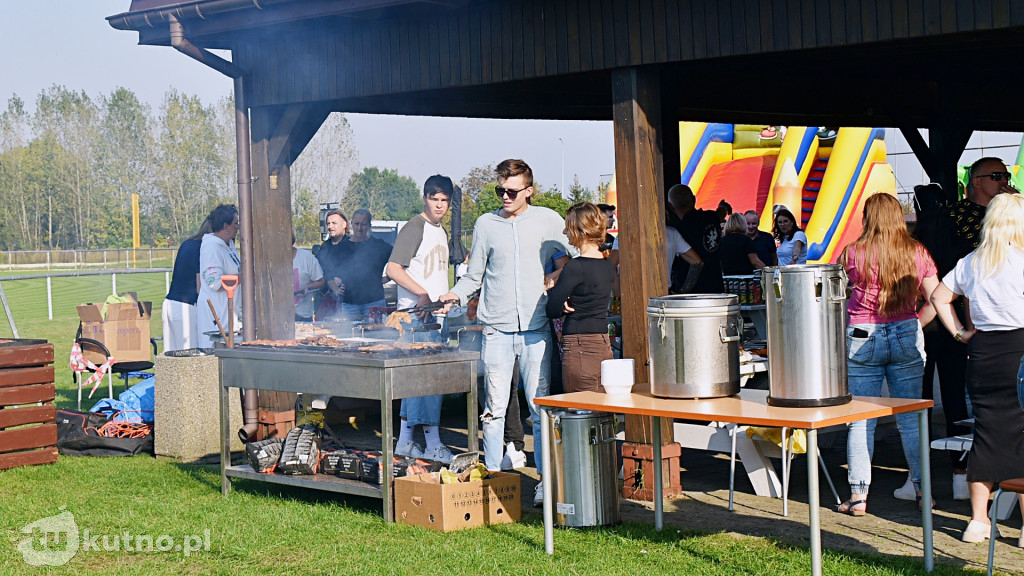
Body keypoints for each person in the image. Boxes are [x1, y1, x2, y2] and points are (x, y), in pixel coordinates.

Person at [441, 158, 575, 507]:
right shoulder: (486, 224)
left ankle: (546, 482)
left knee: (539, 407)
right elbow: (474, 274)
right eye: (499, 190)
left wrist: (559, 279)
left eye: (511, 191)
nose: (504, 196)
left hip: (535, 329)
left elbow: (577, 255)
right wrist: (455, 293)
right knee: (494, 408)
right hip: (496, 330)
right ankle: (492, 480)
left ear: (529, 190)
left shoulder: (549, 219)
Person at [834, 193, 938, 517]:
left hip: (863, 336)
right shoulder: (917, 252)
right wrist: (915, 324)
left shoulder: (853, 253)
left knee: (861, 420)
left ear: (867, 218)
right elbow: (937, 299)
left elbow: (836, 298)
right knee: (910, 419)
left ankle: (858, 496)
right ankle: (924, 492)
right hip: (906, 332)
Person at [929, 192, 1024, 544]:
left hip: (983, 353)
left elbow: (939, 297)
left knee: (984, 436)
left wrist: (960, 333)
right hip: (1019, 350)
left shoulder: (971, 262)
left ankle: (979, 521)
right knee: (1021, 437)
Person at [387, 175, 454, 464]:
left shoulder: (441, 231)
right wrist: (422, 294)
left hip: (435, 317)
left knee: (415, 385)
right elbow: (392, 268)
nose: (439, 205)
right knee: (427, 384)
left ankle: (404, 443)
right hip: (416, 319)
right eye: (433, 199)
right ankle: (433, 444)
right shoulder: (414, 227)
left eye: (444, 200)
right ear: (424, 198)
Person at [545, 203, 617, 393]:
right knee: (602, 408)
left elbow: (551, 309)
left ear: (581, 231)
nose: (564, 231)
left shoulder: (575, 267)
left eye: (568, 227)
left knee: (580, 411)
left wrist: (560, 300)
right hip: (603, 342)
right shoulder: (607, 264)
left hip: (579, 345)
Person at [162, 217, 213, 351]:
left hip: (169, 303)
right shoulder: (202, 248)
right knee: (189, 356)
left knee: (170, 356)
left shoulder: (187, 243)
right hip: (186, 307)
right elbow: (199, 286)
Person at [197, 205, 240, 349]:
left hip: (229, 313)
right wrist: (244, 278)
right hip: (216, 314)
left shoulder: (228, 246)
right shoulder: (211, 248)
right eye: (236, 223)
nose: (238, 227)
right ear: (226, 226)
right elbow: (214, 282)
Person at [337, 208, 393, 318]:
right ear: (351, 224)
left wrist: (388, 278)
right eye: (356, 223)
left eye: (363, 224)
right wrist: (336, 285)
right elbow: (329, 271)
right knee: (349, 334)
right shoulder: (342, 247)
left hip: (375, 302)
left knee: (376, 334)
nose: (359, 228)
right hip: (349, 304)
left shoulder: (380, 246)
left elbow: (400, 262)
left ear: (369, 225)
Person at [667, 184, 723, 293]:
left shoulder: (677, 231)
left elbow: (697, 262)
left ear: (671, 206)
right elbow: (721, 212)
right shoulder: (712, 217)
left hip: (690, 293)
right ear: (694, 199)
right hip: (715, 286)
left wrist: (683, 291)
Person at [316, 209, 350, 319]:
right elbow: (321, 271)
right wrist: (333, 286)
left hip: (348, 301)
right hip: (326, 299)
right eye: (328, 223)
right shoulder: (325, 247)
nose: (330, 227)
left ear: (344, 224)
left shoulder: (353, 245)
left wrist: (344, 280)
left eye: (334, 223)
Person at [292, 232, 325, 322]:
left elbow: (321, 281)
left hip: (303, 315)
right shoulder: (271, 259)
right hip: (278, 315)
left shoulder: (306, 257)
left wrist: (307, 287)